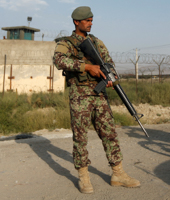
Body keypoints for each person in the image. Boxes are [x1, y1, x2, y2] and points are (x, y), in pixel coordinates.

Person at [52, 6, 140, 194]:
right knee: (80, 136)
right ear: (77, 22)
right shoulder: (67, 43)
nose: (90, 23)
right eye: (87, 20)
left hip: (100, 95)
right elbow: (58, 60)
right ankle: (84, 177)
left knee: (109, 133)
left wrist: (110, 77)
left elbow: (109, 63)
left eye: (91, 20)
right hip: (80, 95)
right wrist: (86, 67)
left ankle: (118, 174)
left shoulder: (96, 42)